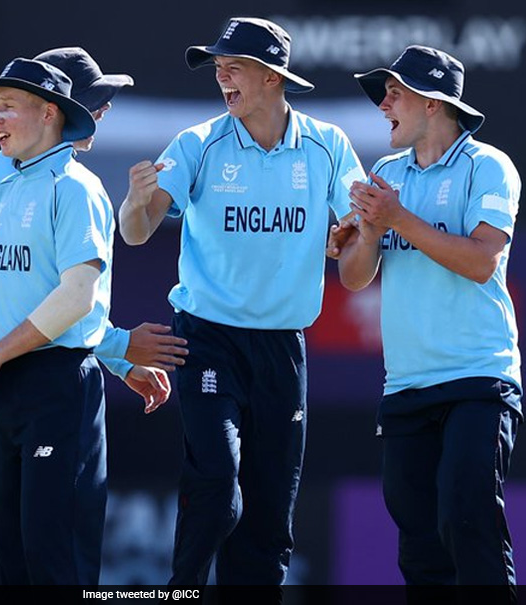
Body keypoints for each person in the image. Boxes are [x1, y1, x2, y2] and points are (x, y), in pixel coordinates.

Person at [118, 17, 366, 594]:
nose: (222, 77)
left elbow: (357, 218)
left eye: (234, 67)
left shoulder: (327, 145)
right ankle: (182, 586)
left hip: (283, 346)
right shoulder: (198, 143)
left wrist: (349, 231)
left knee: (271, 510)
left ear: (273, 76)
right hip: (208, 337)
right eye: (218, 68)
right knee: (217, 481)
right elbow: (137, 230)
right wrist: (134, 200)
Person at [0, 47, 186, 589]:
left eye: (8, 105)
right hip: (1, 379)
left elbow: (75, 299)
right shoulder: (2, 178)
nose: (101, 113)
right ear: (62, 107)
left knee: (48, 557)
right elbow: (1, 285)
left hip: (42, 378)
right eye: (96, 101)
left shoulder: (73, 185)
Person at [329, 45, 522, 600]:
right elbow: (355, 278)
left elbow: (481, 261)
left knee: (469, 522)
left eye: (394, 92)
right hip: (407, 385)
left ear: (434, 102)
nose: (383, 103)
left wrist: (396, 218)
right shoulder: (387, 173)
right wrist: (366, 233)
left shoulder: (489, 165)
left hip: (477, 379)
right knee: (419, 544)